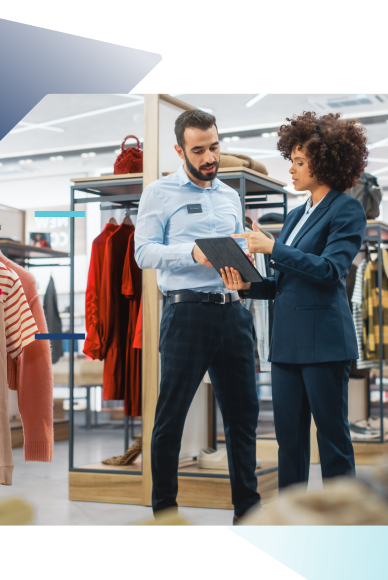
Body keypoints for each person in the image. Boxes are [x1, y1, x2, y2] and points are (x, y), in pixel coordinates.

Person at [220, 111, 368, 491]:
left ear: (325, 162)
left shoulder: (347, 209)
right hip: (287, 346)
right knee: (289, 443)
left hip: (324, 345)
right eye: (293, 161)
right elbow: (286, 284)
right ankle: (289, 523)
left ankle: (341, 525)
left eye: (300, 163)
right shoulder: (296, 215)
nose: (292, 170)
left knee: (333, 442)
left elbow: (330, 270)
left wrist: (274, 247)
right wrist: (248, 285)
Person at [134, 109, 260, 524]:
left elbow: (237, 249)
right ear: (180, 150)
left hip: (233, 314)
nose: (209, 157)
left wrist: (243, 269)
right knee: (170, 418)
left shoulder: (230, 196)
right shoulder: (159, 192)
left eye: (215, 147)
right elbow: (143, 251)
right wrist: (191, 252)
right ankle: (165, 513)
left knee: (243, 419)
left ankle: (248, 512)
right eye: (199, 150)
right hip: (185, 314)